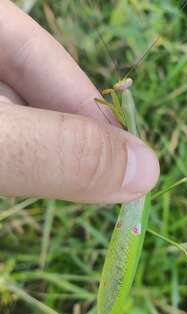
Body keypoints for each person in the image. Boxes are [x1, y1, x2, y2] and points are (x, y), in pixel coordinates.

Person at [0, 0, 159, 204]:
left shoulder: (123, 104)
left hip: (135, 188)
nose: (120, 84)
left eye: (123, 84)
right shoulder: (119, 102)